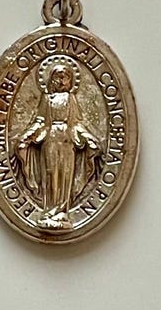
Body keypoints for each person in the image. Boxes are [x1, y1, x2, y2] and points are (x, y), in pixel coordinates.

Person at [15, 62, 102, 230]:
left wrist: (88, 137)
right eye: (58, 77)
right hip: (50, 140)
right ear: (51, 79)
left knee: (65, 174)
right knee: (51, 173)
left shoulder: (71, 99)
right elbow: (40, 121)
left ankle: (62, 212)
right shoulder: (47, 99)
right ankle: (49, 211)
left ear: (70, 80)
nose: (62, 81)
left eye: (65, 77)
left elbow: (76, 123)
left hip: (67, 141)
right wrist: (28, 135)